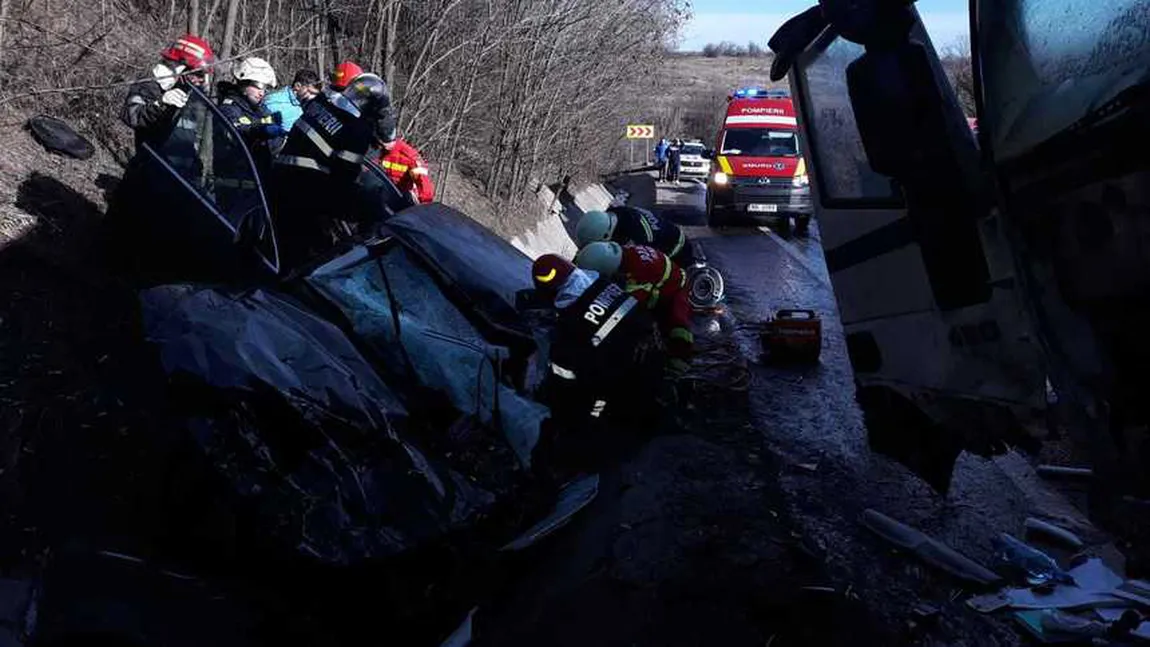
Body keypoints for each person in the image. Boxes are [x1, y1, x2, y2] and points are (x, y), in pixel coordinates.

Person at [529, 254, 660, 472]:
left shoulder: (571, 330)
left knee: (586, 416)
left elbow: (564, 379)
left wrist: (548, 394)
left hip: (626, 383)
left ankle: (595, 461)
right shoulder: (604, 285)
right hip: (654, 352)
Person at [271, 71, 396, 267]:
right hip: (305, 189)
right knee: (371, 206)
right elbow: (344, 177)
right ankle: (361, 256)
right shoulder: (357, 130)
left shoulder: (321, 102)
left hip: (279, 175)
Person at [574, 241, 694, 376]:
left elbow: (626, 308)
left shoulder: (638, 271)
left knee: (677, 322)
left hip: (677, 288)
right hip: (663, 278)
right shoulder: (621, 253)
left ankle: (681, 363)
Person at [121, 34, 214, 149]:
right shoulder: (150, 84)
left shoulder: (187, 88)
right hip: (152, 160)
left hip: (177, 162)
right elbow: (131, 115)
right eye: (199, 74)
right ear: (180, 67)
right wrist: (160, 103)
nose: (201, 81)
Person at [216, 57, 284, 168]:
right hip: (233, 173)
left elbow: (272, 141)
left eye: (265, 88)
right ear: (244, 85)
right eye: (259, 86)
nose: (262, 93)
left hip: (255, 171)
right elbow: (234, 133)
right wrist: (258, 130)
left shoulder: (259, 108)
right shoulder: (229, 107)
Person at [575, 207, 693, 268]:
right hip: (665, 232)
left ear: (607, 235)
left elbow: (644, 263)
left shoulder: (639, 237)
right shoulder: (614, 213)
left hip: (679, 250)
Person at [374, 127, 435, 204]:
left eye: (388, 142)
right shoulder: (377, 151)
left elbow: (423, 181)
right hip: (380, 191)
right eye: (382, 142)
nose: (385, 145)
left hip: (402, 196)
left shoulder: (409, 156)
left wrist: (425, 203)